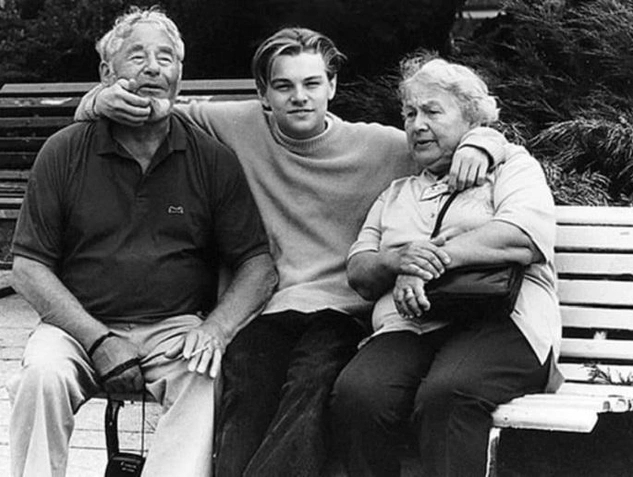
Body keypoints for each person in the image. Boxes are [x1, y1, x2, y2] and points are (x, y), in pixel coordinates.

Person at [75, 27, 510, 476]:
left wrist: (483, 143)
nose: (299, 97)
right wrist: (98, 100)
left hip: (344, 313)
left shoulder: (378, 146)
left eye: (312, 83)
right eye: (283, 86)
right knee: (245, 381)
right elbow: (155, 111)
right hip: (270, 310)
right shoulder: (237, 126)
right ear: (263, 94)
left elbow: (451, 136)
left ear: (332, 86)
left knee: (312, 380)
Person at [7, 6, 276, 477]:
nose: (153, 68)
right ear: (106, 75)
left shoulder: (211, 158)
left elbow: (258, 266)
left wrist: (215, 330)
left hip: (173, 328)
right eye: (137, 56)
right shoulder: (65, 151)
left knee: (202, 373)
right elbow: (28, 269)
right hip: (76, 326)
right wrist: (98, 340)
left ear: (179, 76)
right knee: (41, 377)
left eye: (166, 58)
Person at [330, 55, 562, 477]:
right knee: (358, 394)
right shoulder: (397, 192)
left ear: (471, 119)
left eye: (432, 112)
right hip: (412, 326)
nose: (417, 125)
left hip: (502, 321)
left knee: (449, 393)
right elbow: (360, 271)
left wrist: (427, 263)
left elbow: (522, 236)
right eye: (409, 114)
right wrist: (397, 259)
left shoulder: (512, 168)